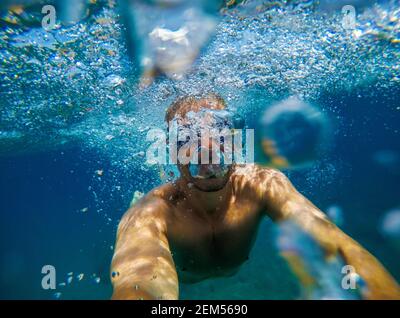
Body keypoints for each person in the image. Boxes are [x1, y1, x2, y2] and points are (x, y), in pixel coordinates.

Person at [110, 93, 400, 300]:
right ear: (172, 151)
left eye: (219, 134)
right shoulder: (151, 212)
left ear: (235, 142)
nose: (206, 152)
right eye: (187, 139)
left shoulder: (263, 184)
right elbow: (138, 281)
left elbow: (333, 243)